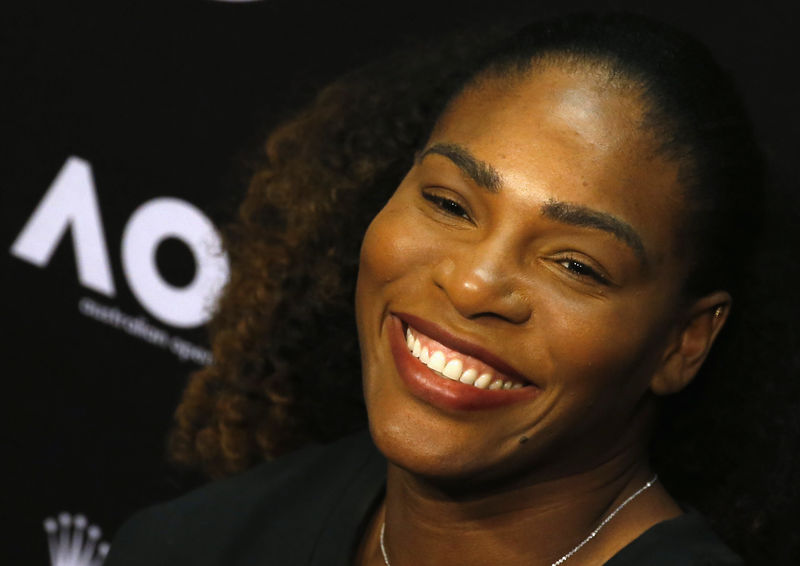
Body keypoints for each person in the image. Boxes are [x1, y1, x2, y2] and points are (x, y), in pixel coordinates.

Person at [105, 12, 798, 566]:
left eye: (576, 265)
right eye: (449, 203)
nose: (472, 284)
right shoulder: (193, 545)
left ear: (685, 342)